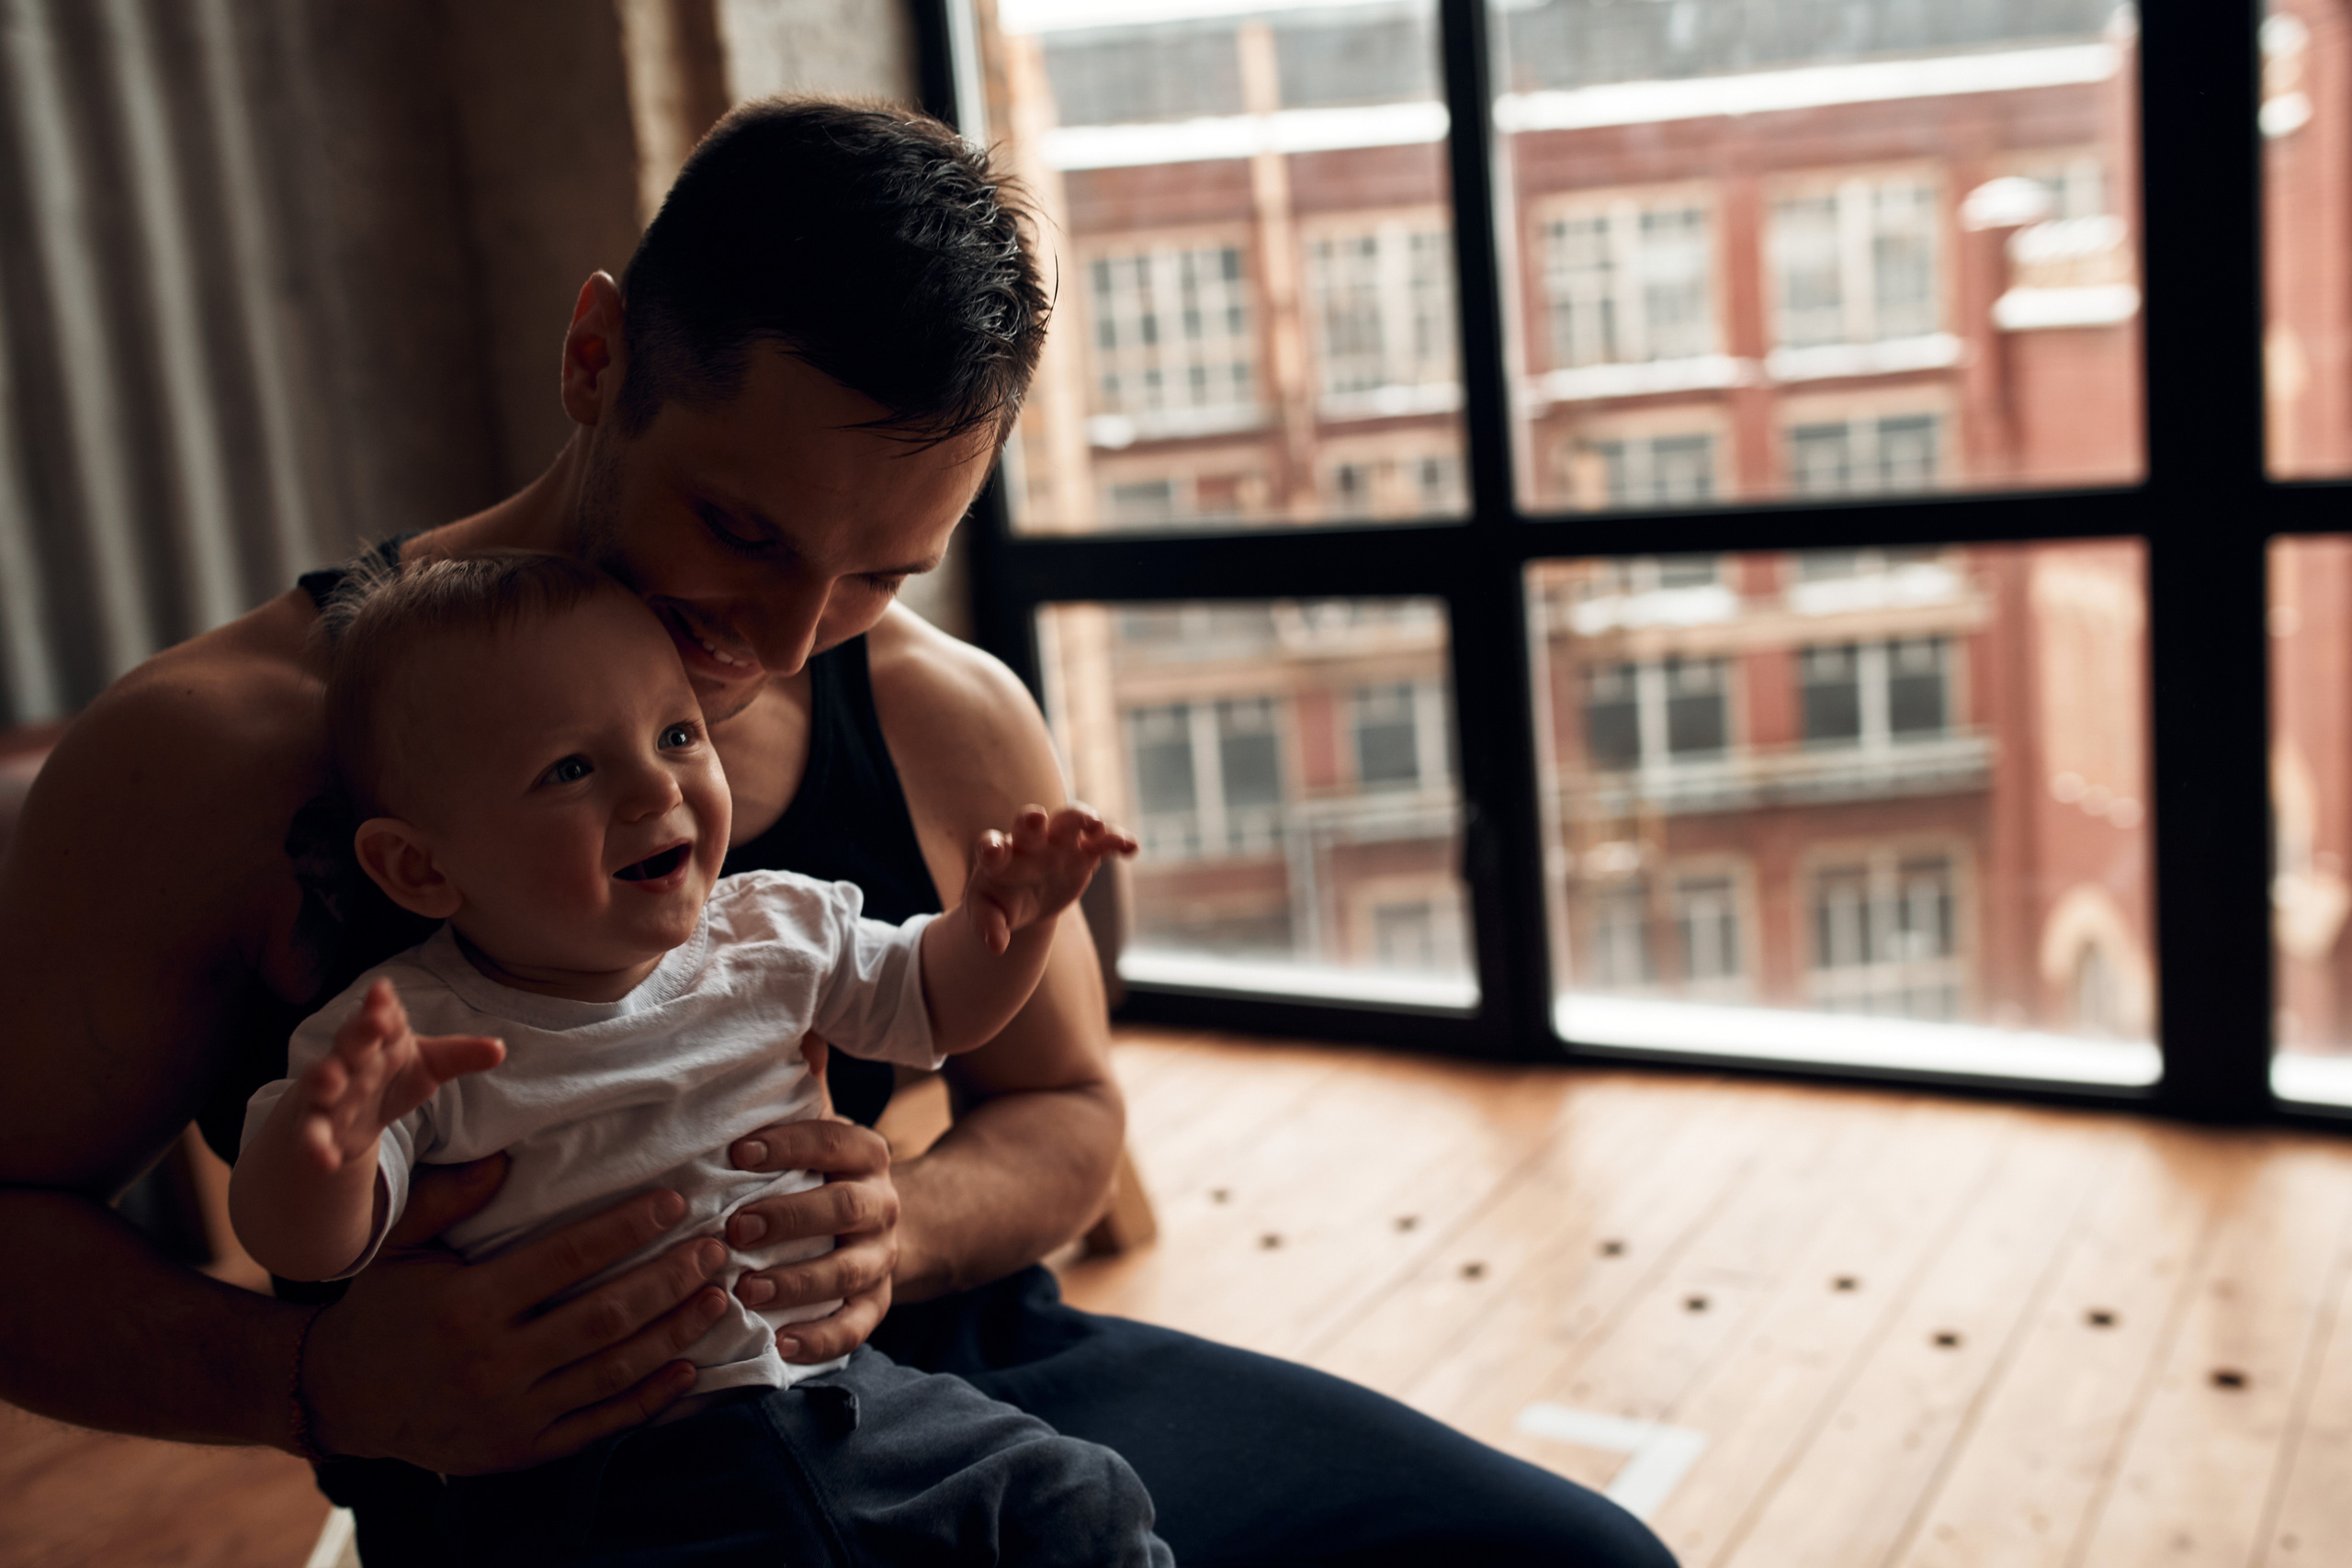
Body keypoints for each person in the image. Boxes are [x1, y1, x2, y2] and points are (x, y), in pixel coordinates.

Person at [0, 96, 1675, 1565]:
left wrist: (905, 1221)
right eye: (743, 525)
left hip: (969, 1393)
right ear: (599, 363)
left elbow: (1069, 1110)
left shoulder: (948, 711)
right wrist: (311, 1384)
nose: (793, 634)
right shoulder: (210, 755)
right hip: (578, 1491)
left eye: (883, 569)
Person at [231, 552, 1163, 1563]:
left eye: (678, 734)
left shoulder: (772, 925)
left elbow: (931, 1005)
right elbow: (308, 1244)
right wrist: (327, 1148)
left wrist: (1002, 927)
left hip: (846, 1403)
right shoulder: (406, 1034)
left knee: (1078, 1501)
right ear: (420, 865)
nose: (653, 786)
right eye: (570, 769)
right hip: (595, 1482)